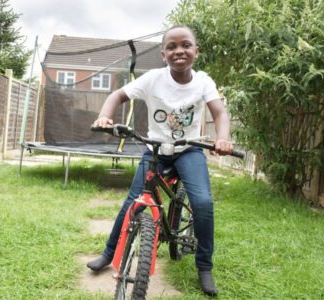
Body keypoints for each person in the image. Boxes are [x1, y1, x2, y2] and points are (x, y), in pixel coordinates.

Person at [87, 24, 233, 297]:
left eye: (186, 45)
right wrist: (106, 116)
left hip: (188, 150)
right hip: (155, 150)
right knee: (132, 202)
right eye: (171, 47)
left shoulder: (203, 81)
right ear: (163, 55)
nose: (179, 50)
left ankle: (204, 266)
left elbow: (221, 114)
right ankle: (109, 253)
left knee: (202, 203)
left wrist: (222, 138)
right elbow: (117, 95)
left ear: (196, 51)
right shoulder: (153, 78)